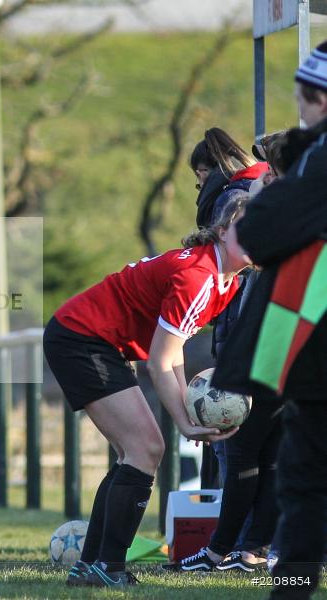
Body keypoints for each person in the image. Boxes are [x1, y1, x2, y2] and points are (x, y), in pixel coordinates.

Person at [43, 195, 249, 588]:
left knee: (134, 453)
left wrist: (188, 413)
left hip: (94, 341)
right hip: (81, 339)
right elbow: (159, 362)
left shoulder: (225, 282)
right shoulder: (200, 278)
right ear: (222, 232)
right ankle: (109, 567)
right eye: (247, 225)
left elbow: (171, 357)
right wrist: (186, 424)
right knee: (146, 449)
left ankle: (92, 566)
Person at [212, 41, 327, 600]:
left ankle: (294, 592)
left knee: (303, 496)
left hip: (314, 352)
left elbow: (255, 236)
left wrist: (266, 195)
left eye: (304, 100)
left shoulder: (320, 159)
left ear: (320, 100)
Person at [188, 128, 268, 490]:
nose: (198, 186)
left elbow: (239, 289)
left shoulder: (230, 200)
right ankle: (245, 543)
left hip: (241, 354)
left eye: (200, 175)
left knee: (235, 458)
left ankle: (237, 545)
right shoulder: (252, 191)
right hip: (254, 350)